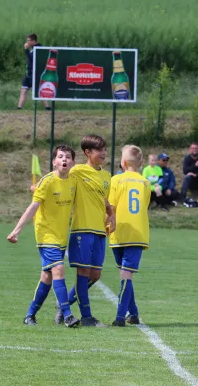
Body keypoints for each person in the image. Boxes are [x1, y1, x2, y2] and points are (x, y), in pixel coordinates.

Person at [7, 145, 80, 328]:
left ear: (72, 162)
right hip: (46, 235)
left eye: (68, 157)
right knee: (58, 270)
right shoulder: (47, 181)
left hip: (61, 236)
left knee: (47, 277)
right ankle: (67, 315)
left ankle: (30, 315)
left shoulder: (73, 181)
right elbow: (33, 207)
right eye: (60, 156)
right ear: (54, 162)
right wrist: (16, 230)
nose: (64, 159)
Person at [55, 134, 115, 327]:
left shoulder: (106, 176)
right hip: (82, 230)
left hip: (99, 231)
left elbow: (104, 201)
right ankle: (87, 317)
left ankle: (63, 304)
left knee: (95, 275)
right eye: (100, 150)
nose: (104, 153)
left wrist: (111, 214)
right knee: (83, 272)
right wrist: (37, 187)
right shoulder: (78, 171)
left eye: (105, 149)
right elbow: (58, 177)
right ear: (87, 152)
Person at [108, 145, 150, 326]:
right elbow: (144, 206)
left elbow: (110, 207)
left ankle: (120, 317)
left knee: (125, 275)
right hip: (137, 233)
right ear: (140, 163)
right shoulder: (145, 183)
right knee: (126, 275)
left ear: (122, 162)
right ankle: (133, 314)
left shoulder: (116, 180)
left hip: (117, 232)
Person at [17, 33, 50, 111]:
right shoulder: (33, 48)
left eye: (29, 41)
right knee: (23, 90)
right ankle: (19, 108)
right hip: (28, 73)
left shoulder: (38, 48)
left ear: (34, 41)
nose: (27, 42)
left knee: (39, 91)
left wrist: (26, 50)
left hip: (35, 74)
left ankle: (47, 107)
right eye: (27, 40)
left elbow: (32, 58)